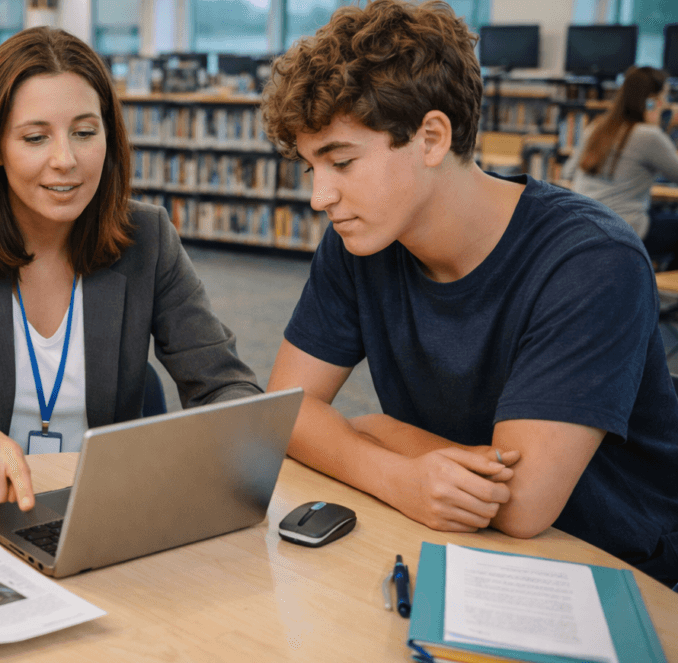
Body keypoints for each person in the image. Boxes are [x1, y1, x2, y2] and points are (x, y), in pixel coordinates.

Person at [261, 0, 678, 587]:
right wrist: (395, 475)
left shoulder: (590, 261)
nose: (320, 196)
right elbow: (281, 415)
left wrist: (379, 431)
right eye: (311, 169)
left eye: (342, 162)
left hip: (614, 566)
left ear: (432, 137)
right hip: (447, 539)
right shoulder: (361, 242)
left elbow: (521, 506)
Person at [0, 26, 261, 510]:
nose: (65, 160)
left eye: (85, 133)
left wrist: (244, 429)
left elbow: (222, 382)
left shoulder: (147, 237)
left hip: (94, 507)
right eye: (35, 137)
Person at [562, 66, 678, 257]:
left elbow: (568, 171)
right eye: (665, 97)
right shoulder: (649, 135)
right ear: (652, 101)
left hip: (583, 228)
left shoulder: (598, 127)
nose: (666, 103)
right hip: (625, 230)